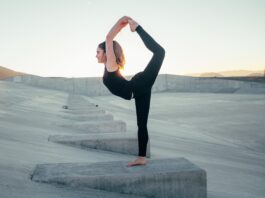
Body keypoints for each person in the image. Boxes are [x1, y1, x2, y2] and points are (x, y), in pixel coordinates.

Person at [96, 16, 165, 167]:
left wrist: (124, 21)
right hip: (138, 90)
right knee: (142, 124)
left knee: (160, 52)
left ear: (107, 53)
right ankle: (141, 158)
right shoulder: (107, 67)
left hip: (139, 85)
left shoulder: (111, 64)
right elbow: (109, 41)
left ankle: (138, 28)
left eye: (98, 52)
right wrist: (122, 25)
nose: (96, 55)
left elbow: (109, 38)